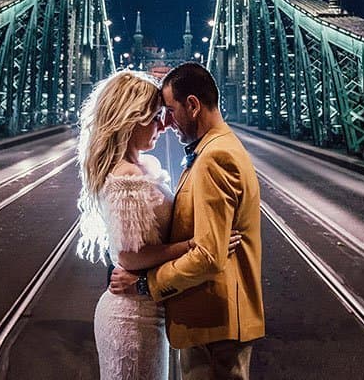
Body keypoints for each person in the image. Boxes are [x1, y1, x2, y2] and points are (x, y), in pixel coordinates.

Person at [76, 70, 242, 380]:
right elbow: (128, 257)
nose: (164, 125)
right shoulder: (126, 178)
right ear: (131, 120)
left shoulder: (144, 166)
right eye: (155, 117)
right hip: (131, 318)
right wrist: (191, 246)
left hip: (150, 311)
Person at [110, 62, 264, 380]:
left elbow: (208, 256)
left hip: (215, 327)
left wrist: (143, 284)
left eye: (169, 110)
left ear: (192, 105)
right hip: (212, 324)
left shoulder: (214, 158)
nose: (167, 123)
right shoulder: (216, 148)